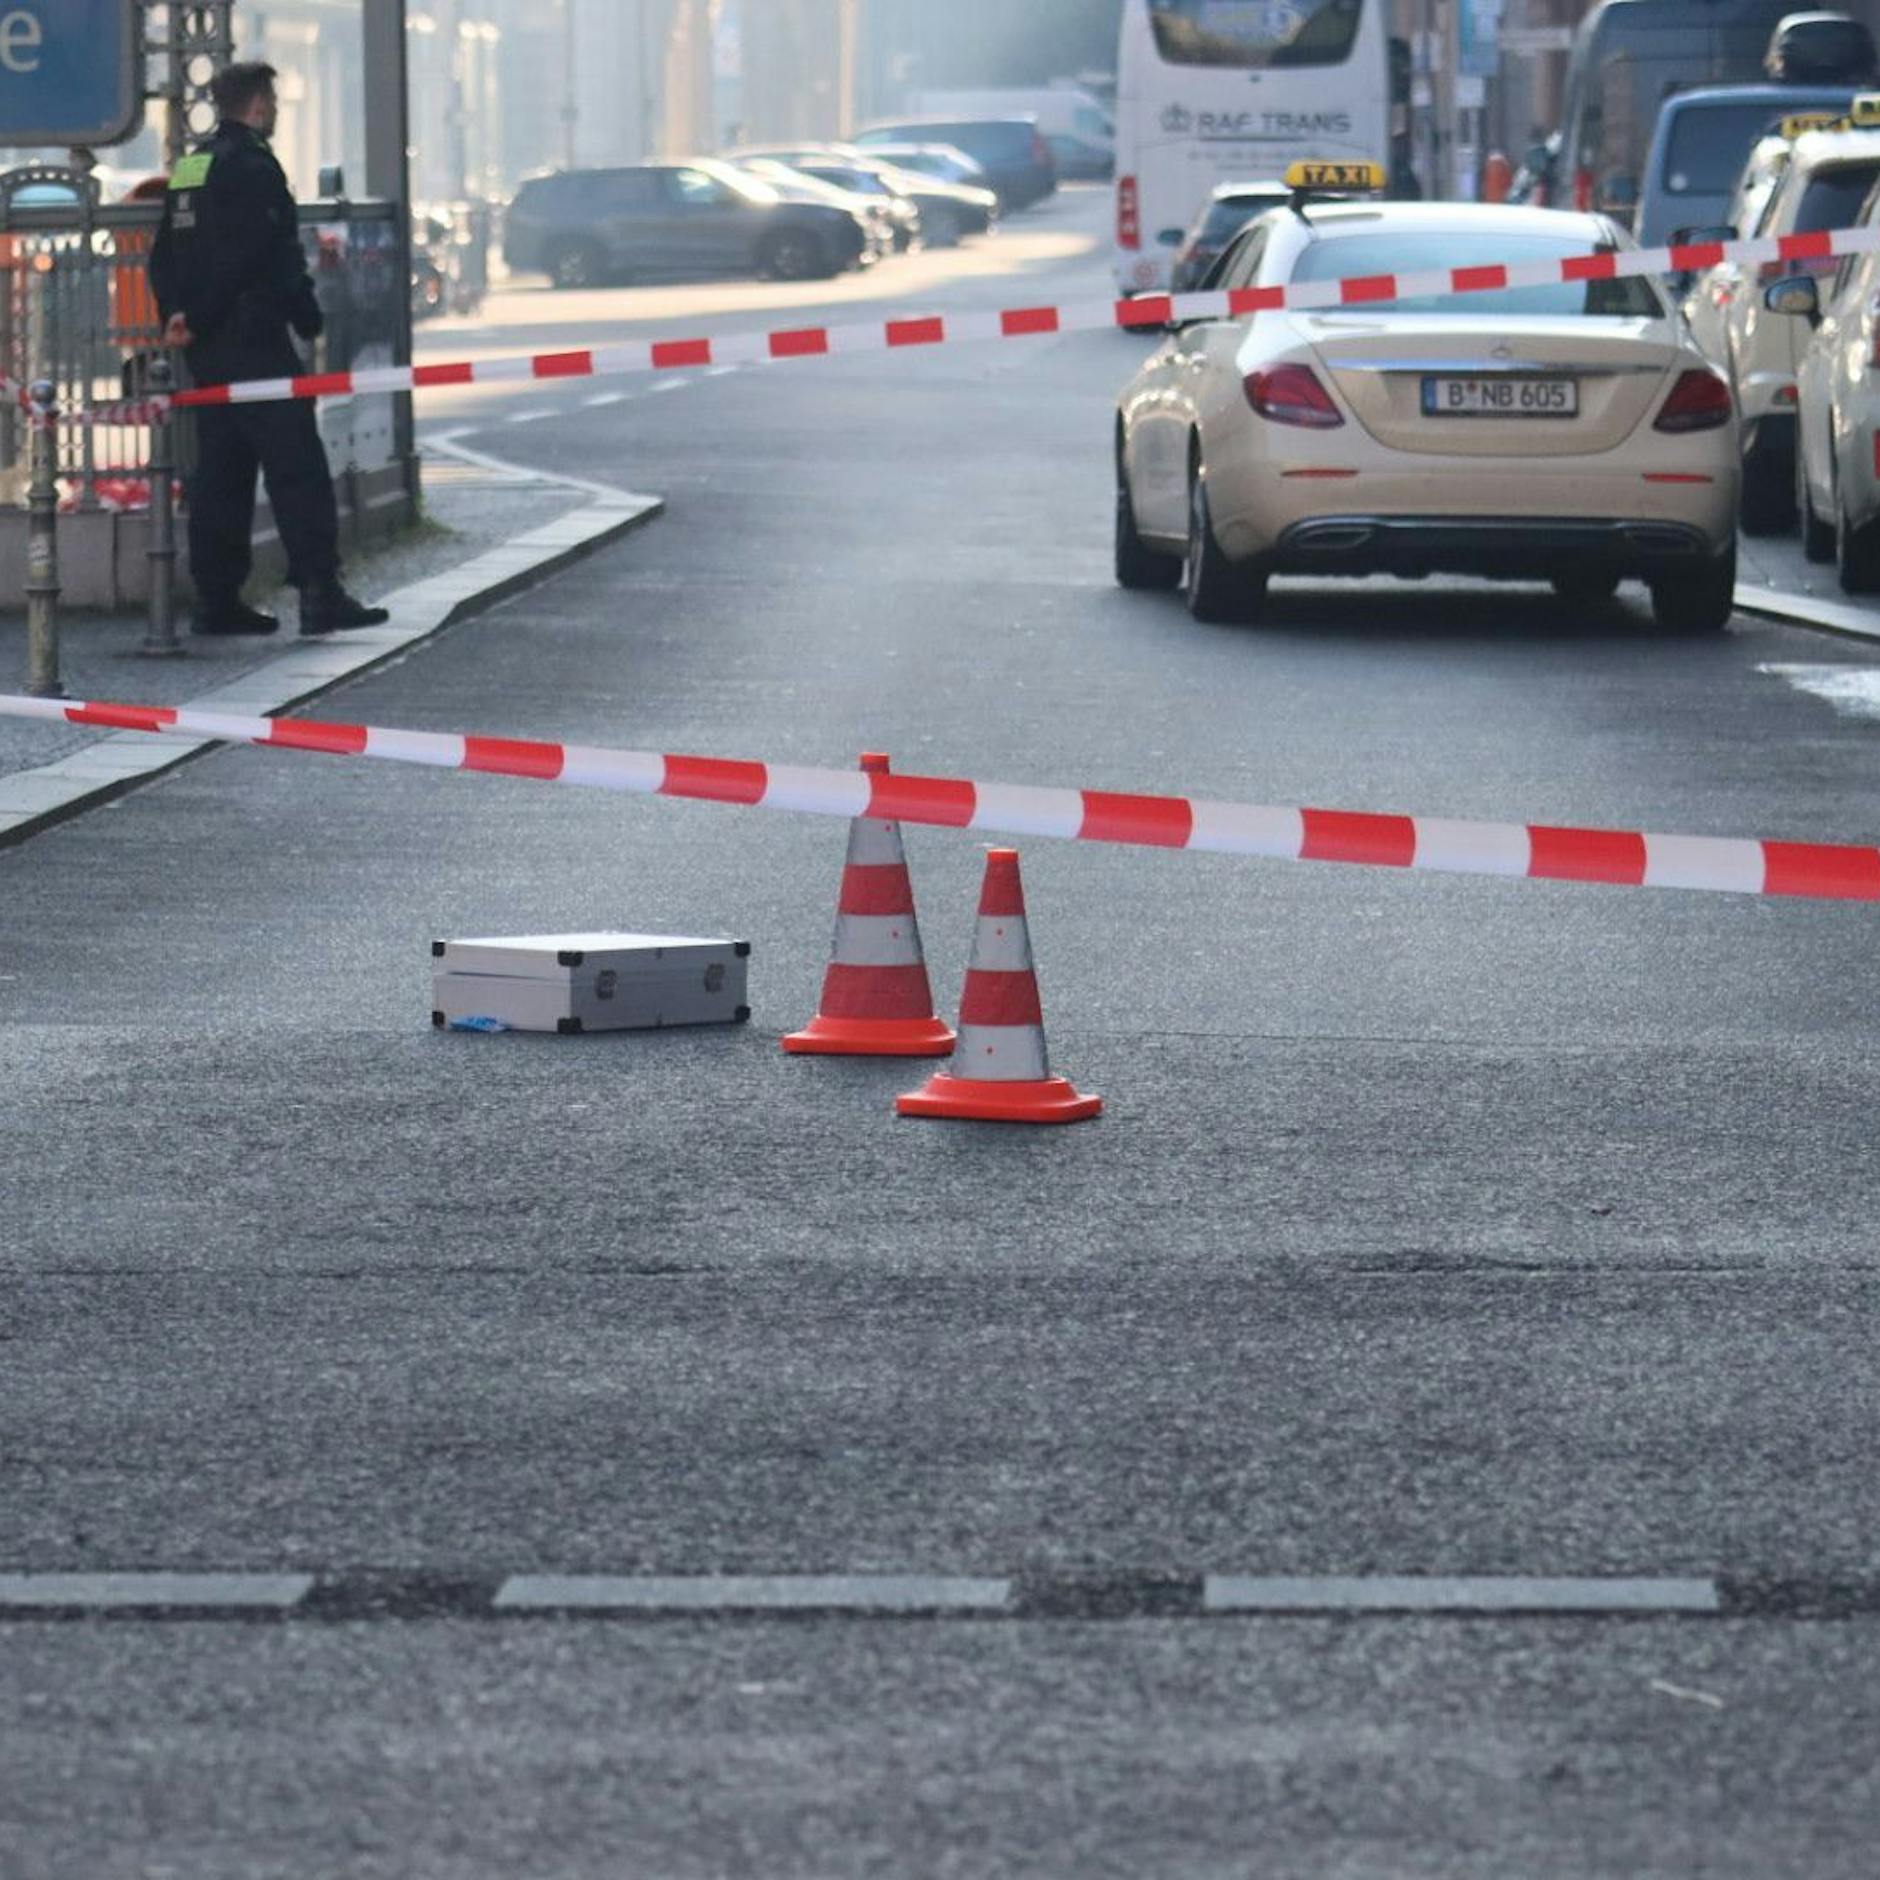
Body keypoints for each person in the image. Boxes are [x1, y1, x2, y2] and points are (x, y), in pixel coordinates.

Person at [149, 61, 389, 638]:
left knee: (222, 471)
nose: (277, 111)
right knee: (296, 467)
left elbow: (164, 254)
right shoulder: (256, 167)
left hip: (204, 349)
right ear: (257, 104)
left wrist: (178, 316)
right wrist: (308, 318)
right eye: (274, 102)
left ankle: (217, 601)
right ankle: (318, 592)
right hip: (255, 341)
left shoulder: (191, 165)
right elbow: (265, 256)